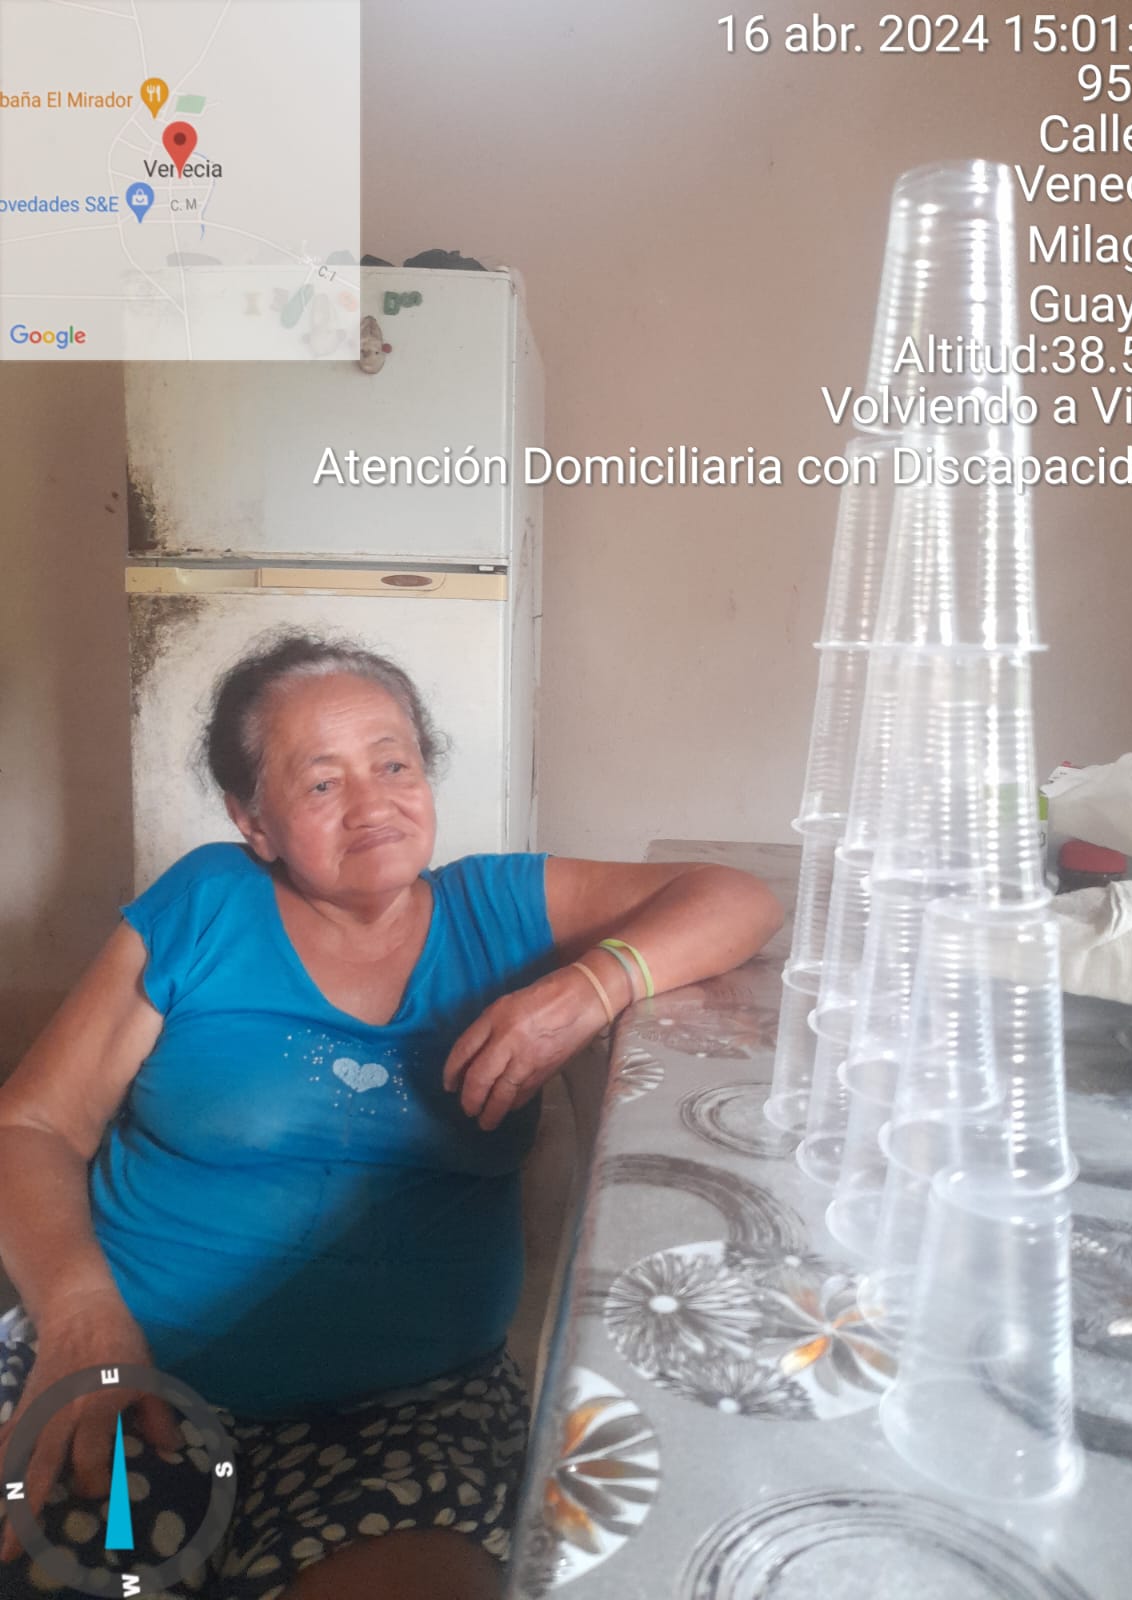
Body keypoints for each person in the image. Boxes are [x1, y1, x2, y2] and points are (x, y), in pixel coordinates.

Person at [0, 632, 783, 1600]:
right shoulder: (205, 904)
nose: (372, 803)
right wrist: (82, 1319)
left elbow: (738, 896)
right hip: (133, 1365)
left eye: (394, 764)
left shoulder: (498, 910)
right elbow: (33, 1126)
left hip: (409, 1413)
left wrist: (590, 986)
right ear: (253, 820)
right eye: (321, 782)